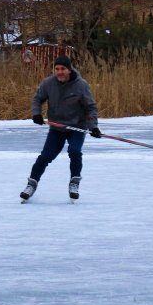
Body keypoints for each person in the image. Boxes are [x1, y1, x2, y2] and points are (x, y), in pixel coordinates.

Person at [20, 56, 100, 202]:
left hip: (76, 126)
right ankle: (31, 185)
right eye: (57, 69)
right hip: (57, 127)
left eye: (63, 69)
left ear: (69, 69)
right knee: (45, 156)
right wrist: (36, 113)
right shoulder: (48, 83)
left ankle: (74, 183)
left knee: (75, 151)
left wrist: (93, 127)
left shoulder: (81, 85)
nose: (59, 72)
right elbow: (37, 99)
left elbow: (90, 107)